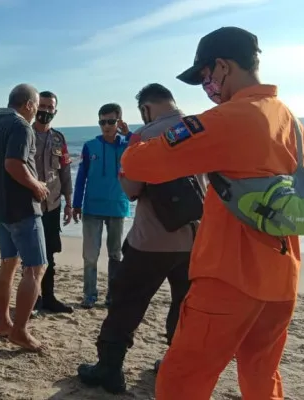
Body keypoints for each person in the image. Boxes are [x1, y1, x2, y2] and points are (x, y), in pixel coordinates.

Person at [119, 27, 304, 399]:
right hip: (282, 275)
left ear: (222, 67)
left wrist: (135, 142)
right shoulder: (288, 117)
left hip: (230, 275)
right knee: (261, 377)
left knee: (181, 381)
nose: (205, 87)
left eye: (204, 76)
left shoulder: (229, 117)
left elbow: (142, 164)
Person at [76, 83, 201, 393]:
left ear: (146, 108)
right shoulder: (199, 127)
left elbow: (131, 189)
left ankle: (110, 369)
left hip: (153, 240)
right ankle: (175, 363)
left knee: (126, 302)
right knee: (184, 304)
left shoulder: (146, 136)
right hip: (196, 237)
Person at [0, 83, 49, 352]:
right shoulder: (21, 126)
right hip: (22, 208)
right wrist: (36, 185)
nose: (36, 112)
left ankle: (3, 322)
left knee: (9, 264)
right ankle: (20, 331)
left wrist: (1, 171)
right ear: (28, 104)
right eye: (36, 106)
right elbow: (13, 164)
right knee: (36, 268)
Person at [72, 103, 132, 309]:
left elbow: (146, 149)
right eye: (102, 122)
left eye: (111, 121)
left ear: (119, 121)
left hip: (117, 206)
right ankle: (90, 294)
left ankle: (112, 296)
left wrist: (129, 134)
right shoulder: (90, 146)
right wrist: (76, 204)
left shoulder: (128, 144)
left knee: (115, 254)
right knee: (90, 255)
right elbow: (81, 177)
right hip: (92, 207)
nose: (106, 126)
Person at [31, 90, 74, 314]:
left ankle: (48, 298)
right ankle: (33, 298)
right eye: (43, 106)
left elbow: (65, 171)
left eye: (50, 107)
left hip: (53, 204)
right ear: (35, 106)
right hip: (30, 205)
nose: (46, 111)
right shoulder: (25, 135)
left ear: (55, 111)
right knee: (32, 255)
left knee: (50, 253)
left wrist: (69, 201)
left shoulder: (59, 138)